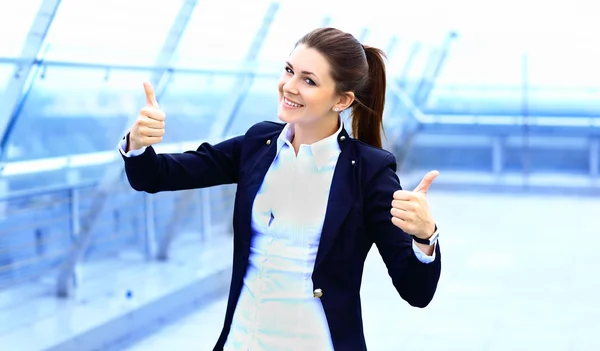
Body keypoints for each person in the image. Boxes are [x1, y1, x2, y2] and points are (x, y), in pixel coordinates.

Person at [119, 27, 441, 351]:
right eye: (289, 70)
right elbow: (158, 176)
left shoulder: (368, 172)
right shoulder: (259, 144)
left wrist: (425, 236)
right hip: (241, 341)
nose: (289, 86)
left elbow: (416, 291)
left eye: (308, 80)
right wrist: (137, 143)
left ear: (341, 100)